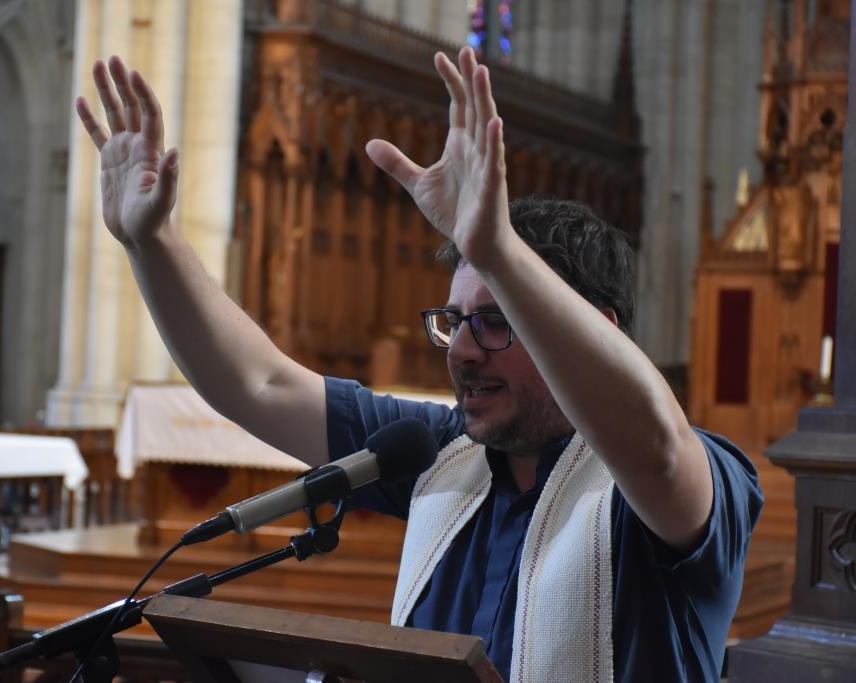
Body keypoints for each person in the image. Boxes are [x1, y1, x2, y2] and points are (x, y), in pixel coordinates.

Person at [76, 47, 762, 682]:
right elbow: (259, 382)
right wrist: (151, 243)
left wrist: (498, 252)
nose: (462, 349)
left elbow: (659, 455)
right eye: (456, 320)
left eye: (498, 321)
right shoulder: (439, 454)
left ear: (596, 331)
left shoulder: (699, 483)